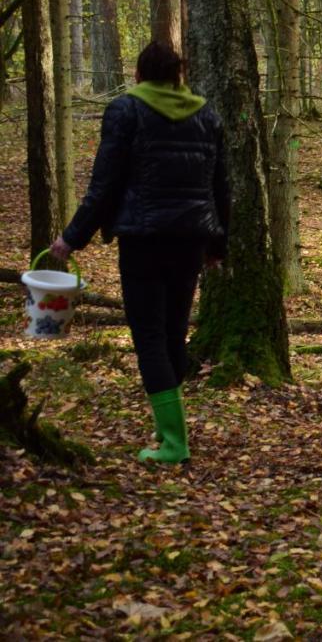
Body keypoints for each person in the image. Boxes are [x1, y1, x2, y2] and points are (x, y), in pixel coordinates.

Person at [50, 42, 228, 465]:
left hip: (143, 239)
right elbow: (221, 187)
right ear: (178, 74)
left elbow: (104, 183)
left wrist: (72, 238)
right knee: (172, 334)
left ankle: (173, 442)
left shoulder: (126, 110)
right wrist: (217, 246)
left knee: (149, 337)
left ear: (139, 74)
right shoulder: (206, 114)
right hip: (190, 239)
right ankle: (171, 428)